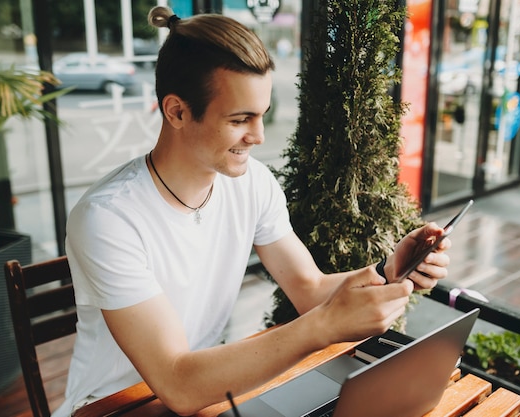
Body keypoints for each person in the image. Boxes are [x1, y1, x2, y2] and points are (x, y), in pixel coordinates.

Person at [53, 6, 451, 417]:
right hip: (112, 406)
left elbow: (309, 290)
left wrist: (389, 271)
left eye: (261, 115)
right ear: (176, 111)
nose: (258, 136)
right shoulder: (107, 219)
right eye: (241, 119)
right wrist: (322, 327)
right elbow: (177, 381)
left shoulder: (252, 183)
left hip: (205, 391)